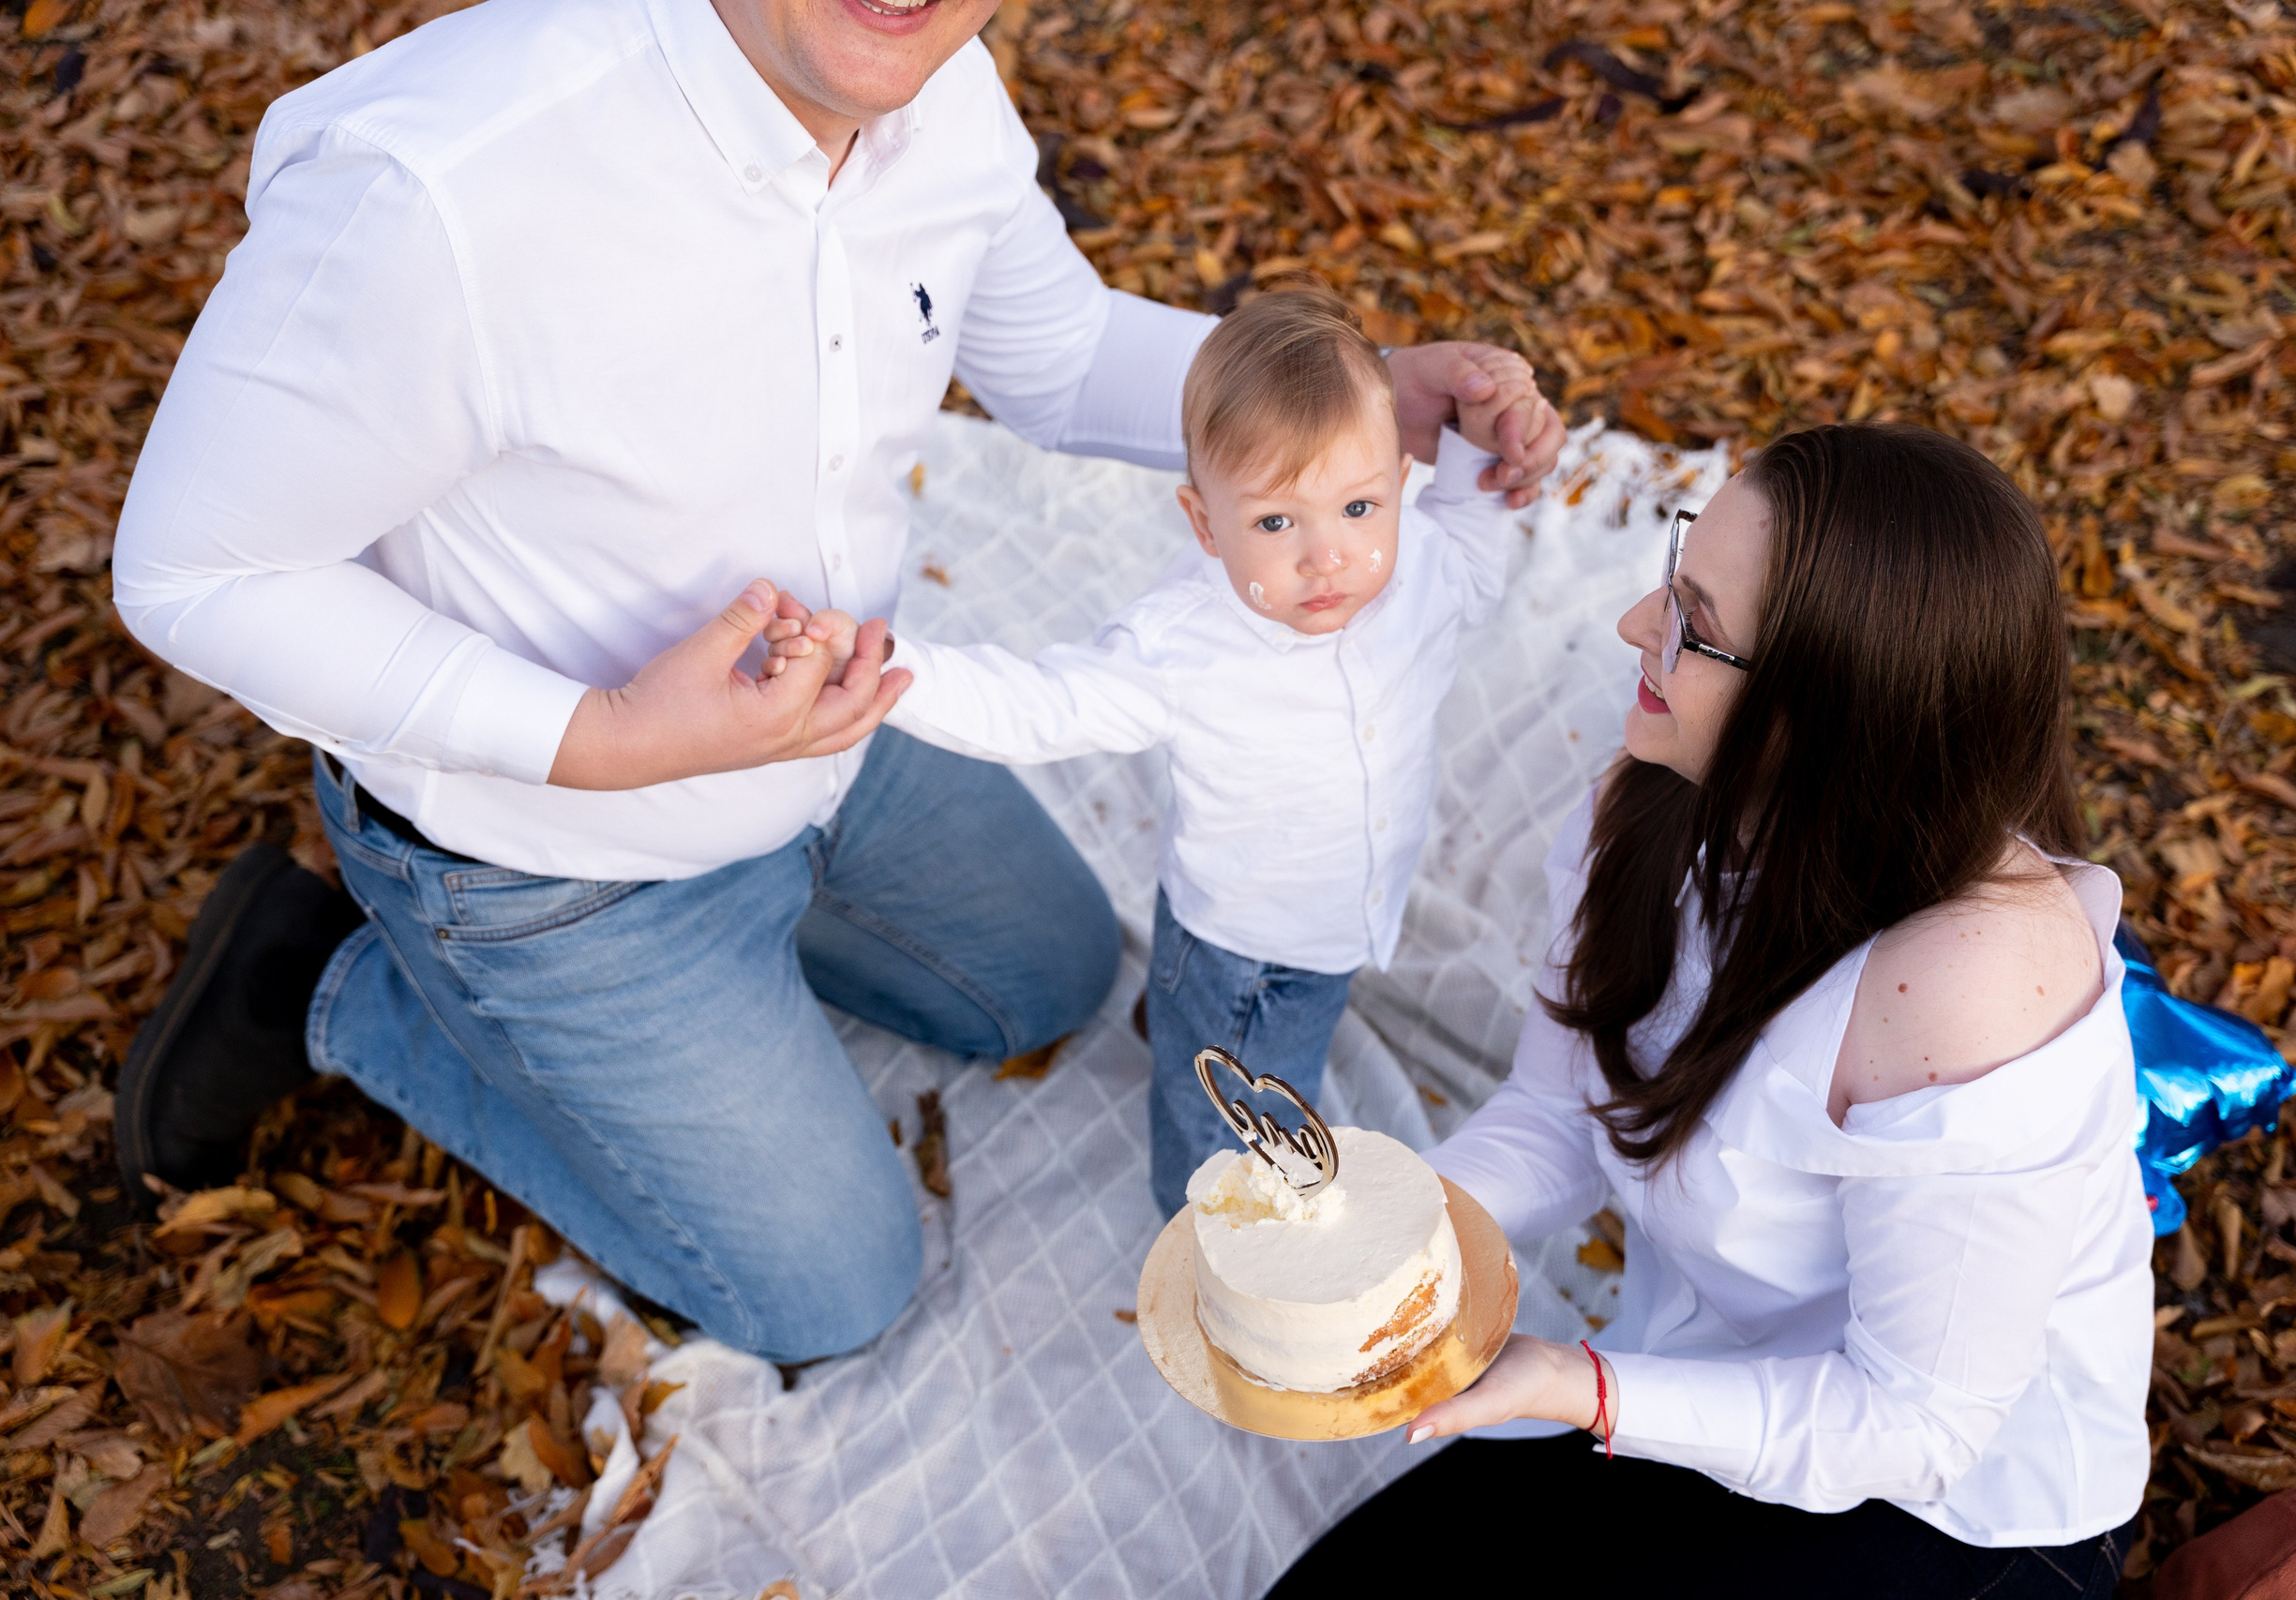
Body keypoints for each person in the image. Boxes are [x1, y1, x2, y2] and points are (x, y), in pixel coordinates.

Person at [107, 0, 1564, 1364]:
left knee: (1051, 982)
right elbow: (197, 572)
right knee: (835, 1295)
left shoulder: (926, 78)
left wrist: (1356, 412)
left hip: (839, 738)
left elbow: (1058, 360)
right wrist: (610, 736)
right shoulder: (441, 190)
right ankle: (349, 985)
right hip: (556, 860)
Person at [1273, 424, 2152, 1598]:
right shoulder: (1644, 807)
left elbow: (1918, 1427)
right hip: (1710, 1380)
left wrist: (1582, 1388)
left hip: (1957, 1510)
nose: (1638, 624)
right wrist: (1405, 1221)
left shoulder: (1967, 987)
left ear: (1824, 715)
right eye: (1675, 578)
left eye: (1697, 624)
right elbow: (1560, 1109)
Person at [811, 286, 1515, 1219]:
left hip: (1347, 915)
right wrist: (895, 667)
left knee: (1288, 1052)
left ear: (1395, 482)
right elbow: (1042, 707)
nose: (1326, 557)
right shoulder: (1183, 647)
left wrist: (1475, 445)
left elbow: (1469, 555)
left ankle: (1182, 1038)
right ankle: (1210, 1237)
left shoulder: (1415, 564)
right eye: (1274, 522)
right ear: (1203, 523)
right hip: (1243, 952)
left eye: (1357, 506)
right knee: (1225, 1133)